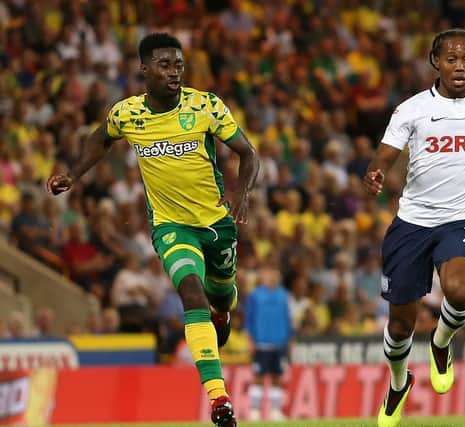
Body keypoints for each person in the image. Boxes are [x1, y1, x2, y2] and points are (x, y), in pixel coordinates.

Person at [46, 33, 259, 427]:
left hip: (217, 225)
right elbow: (101, 138)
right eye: (164, 64)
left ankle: (223, 315)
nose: (174, 71)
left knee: (222, 295)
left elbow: (248, 153)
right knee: (191, 293)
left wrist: (242, 192)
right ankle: (220, 401)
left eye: (178, 64)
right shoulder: (128, 114)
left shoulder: (206, 105)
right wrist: (73, 174)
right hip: (172, 227)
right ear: (144, 70)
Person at [363, 29, 465, 427]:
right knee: (400, 325)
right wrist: (376, 170)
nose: (459, 66)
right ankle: (399, 384)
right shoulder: (412, 110)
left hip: (461, 216)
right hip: (413, 223)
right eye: (451, 59)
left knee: (459, 288)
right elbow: (386, 152)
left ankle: (441, 344)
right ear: (435, 61)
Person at [244, 266, 293, 421]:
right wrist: (250, 340)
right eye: (268, 272)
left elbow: (288, 318)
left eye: (274, 272)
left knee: (277, 377)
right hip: (261, 342)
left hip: (280, 342)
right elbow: (249, 319)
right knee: (258, 376)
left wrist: (290, 339)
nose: (272, 276)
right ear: (262, 276)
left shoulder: (284, 295)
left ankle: (275, 411)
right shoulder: (255, 295)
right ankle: (254, 411)